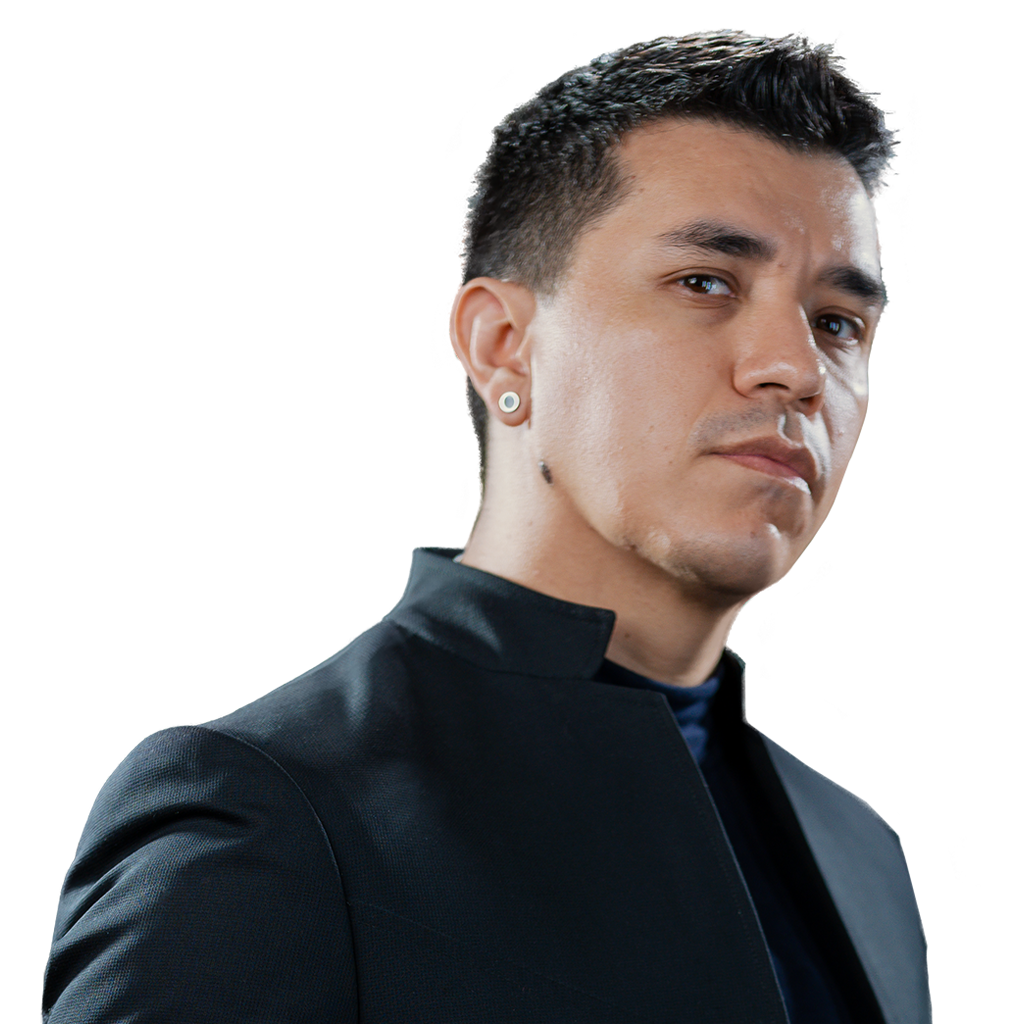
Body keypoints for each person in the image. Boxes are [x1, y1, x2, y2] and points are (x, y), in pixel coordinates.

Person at [42, 32, 925, 1023]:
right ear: (502, 346)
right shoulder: (276, 813)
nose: (796, 369)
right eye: (705, 283)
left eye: (837, 322)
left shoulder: (859, 856)